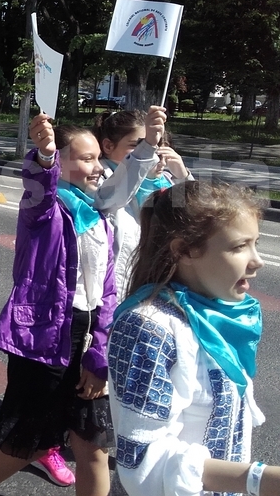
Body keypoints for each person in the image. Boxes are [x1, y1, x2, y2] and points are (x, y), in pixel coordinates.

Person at [0, 116, 115, 496]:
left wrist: (100, 352)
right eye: (86, 159)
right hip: (47, 334)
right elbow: (37, 187)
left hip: (89, 332)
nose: (97, 167)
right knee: (28, 436)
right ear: (62, 163)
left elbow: (108, 290)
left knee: (91, 443)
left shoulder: (100, 215)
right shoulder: (44, 210)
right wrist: (44, 157)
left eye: (98, 158)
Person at [107, 181, 279, 496]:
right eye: (240, 246)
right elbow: (141, 462)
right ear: (184, 250)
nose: (257, 261)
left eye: (255, 243)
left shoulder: (217, 319)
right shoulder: (149, 329)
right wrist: (260, 480)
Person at [93, 107, 180, 301]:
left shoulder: (162, 182)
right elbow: (112, 197)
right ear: (108, 146)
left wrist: (184, 178)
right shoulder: (98, 177)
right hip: (111, 293)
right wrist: (147, 145)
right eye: (138, 144)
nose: (153, 153)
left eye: (156, 146)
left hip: (149, 290)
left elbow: (187, 222)